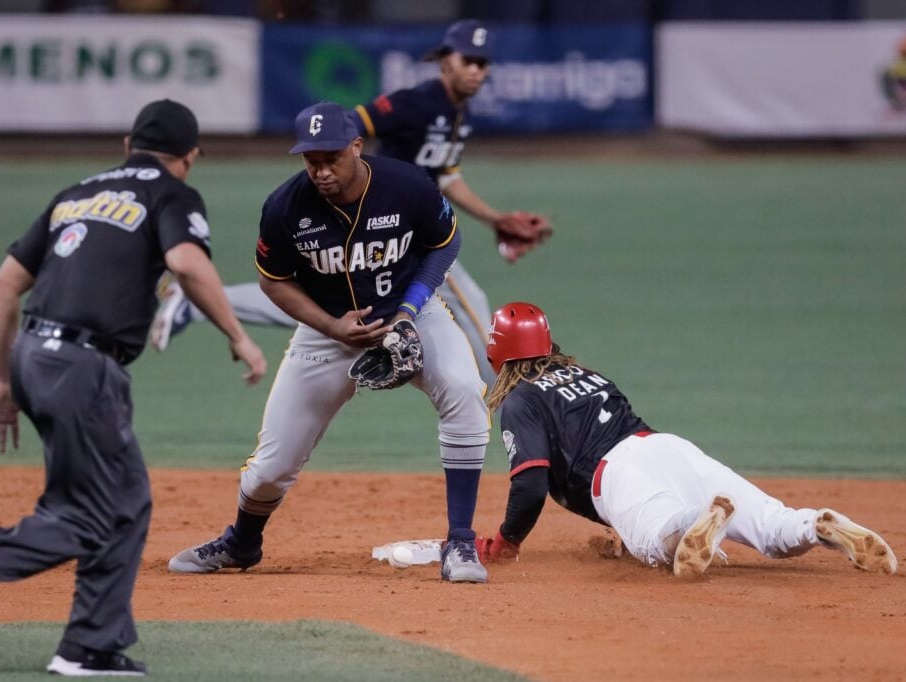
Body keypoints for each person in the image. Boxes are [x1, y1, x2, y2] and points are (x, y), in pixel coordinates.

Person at [0, 99, 268, 676]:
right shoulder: (171, 192)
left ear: (128, 144)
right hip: (83, 367)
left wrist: (3, 380)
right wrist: (238, 336)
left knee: (117, 504)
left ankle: (89, 646)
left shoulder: (74, 194)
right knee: (96, 513)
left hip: (33, 355)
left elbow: (5, 286)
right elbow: (187, 263)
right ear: (189, 157)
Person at [168, 101, 490, 583]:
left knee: (465, 392)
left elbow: (444, 244)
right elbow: (273, 282)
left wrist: (407, 311)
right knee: (270, 468)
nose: (320, 170)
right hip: (328, 333)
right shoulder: (285, 207)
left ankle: (462, 544)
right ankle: (242, 543)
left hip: (413, 315)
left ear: (356, 147)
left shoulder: (406, 186)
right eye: (310, 159)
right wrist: (330, 325)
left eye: (331, 157)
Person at [150, 18, 551, 388]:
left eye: (483, 63)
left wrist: (496, 218)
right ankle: (511, 394)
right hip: (383, 223)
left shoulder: (456, 111)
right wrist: (336, 169)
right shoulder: (415, 103)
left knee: (330, 301)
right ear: (445, 60)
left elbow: (447, 178)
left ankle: (199, 300)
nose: (475, 70)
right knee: (468, 302)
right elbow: (343, 127)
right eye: (468, 60)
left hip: (394, 229)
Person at [475, 301, 898, 577]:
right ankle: (815, 523)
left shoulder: (520, 400)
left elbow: (531, 484)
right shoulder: (588, 374)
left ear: (497, 354)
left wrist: (508, 542)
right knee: (772, 528)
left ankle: (694, 522)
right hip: (667, 448)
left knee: (663, 545)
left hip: (616, 475)